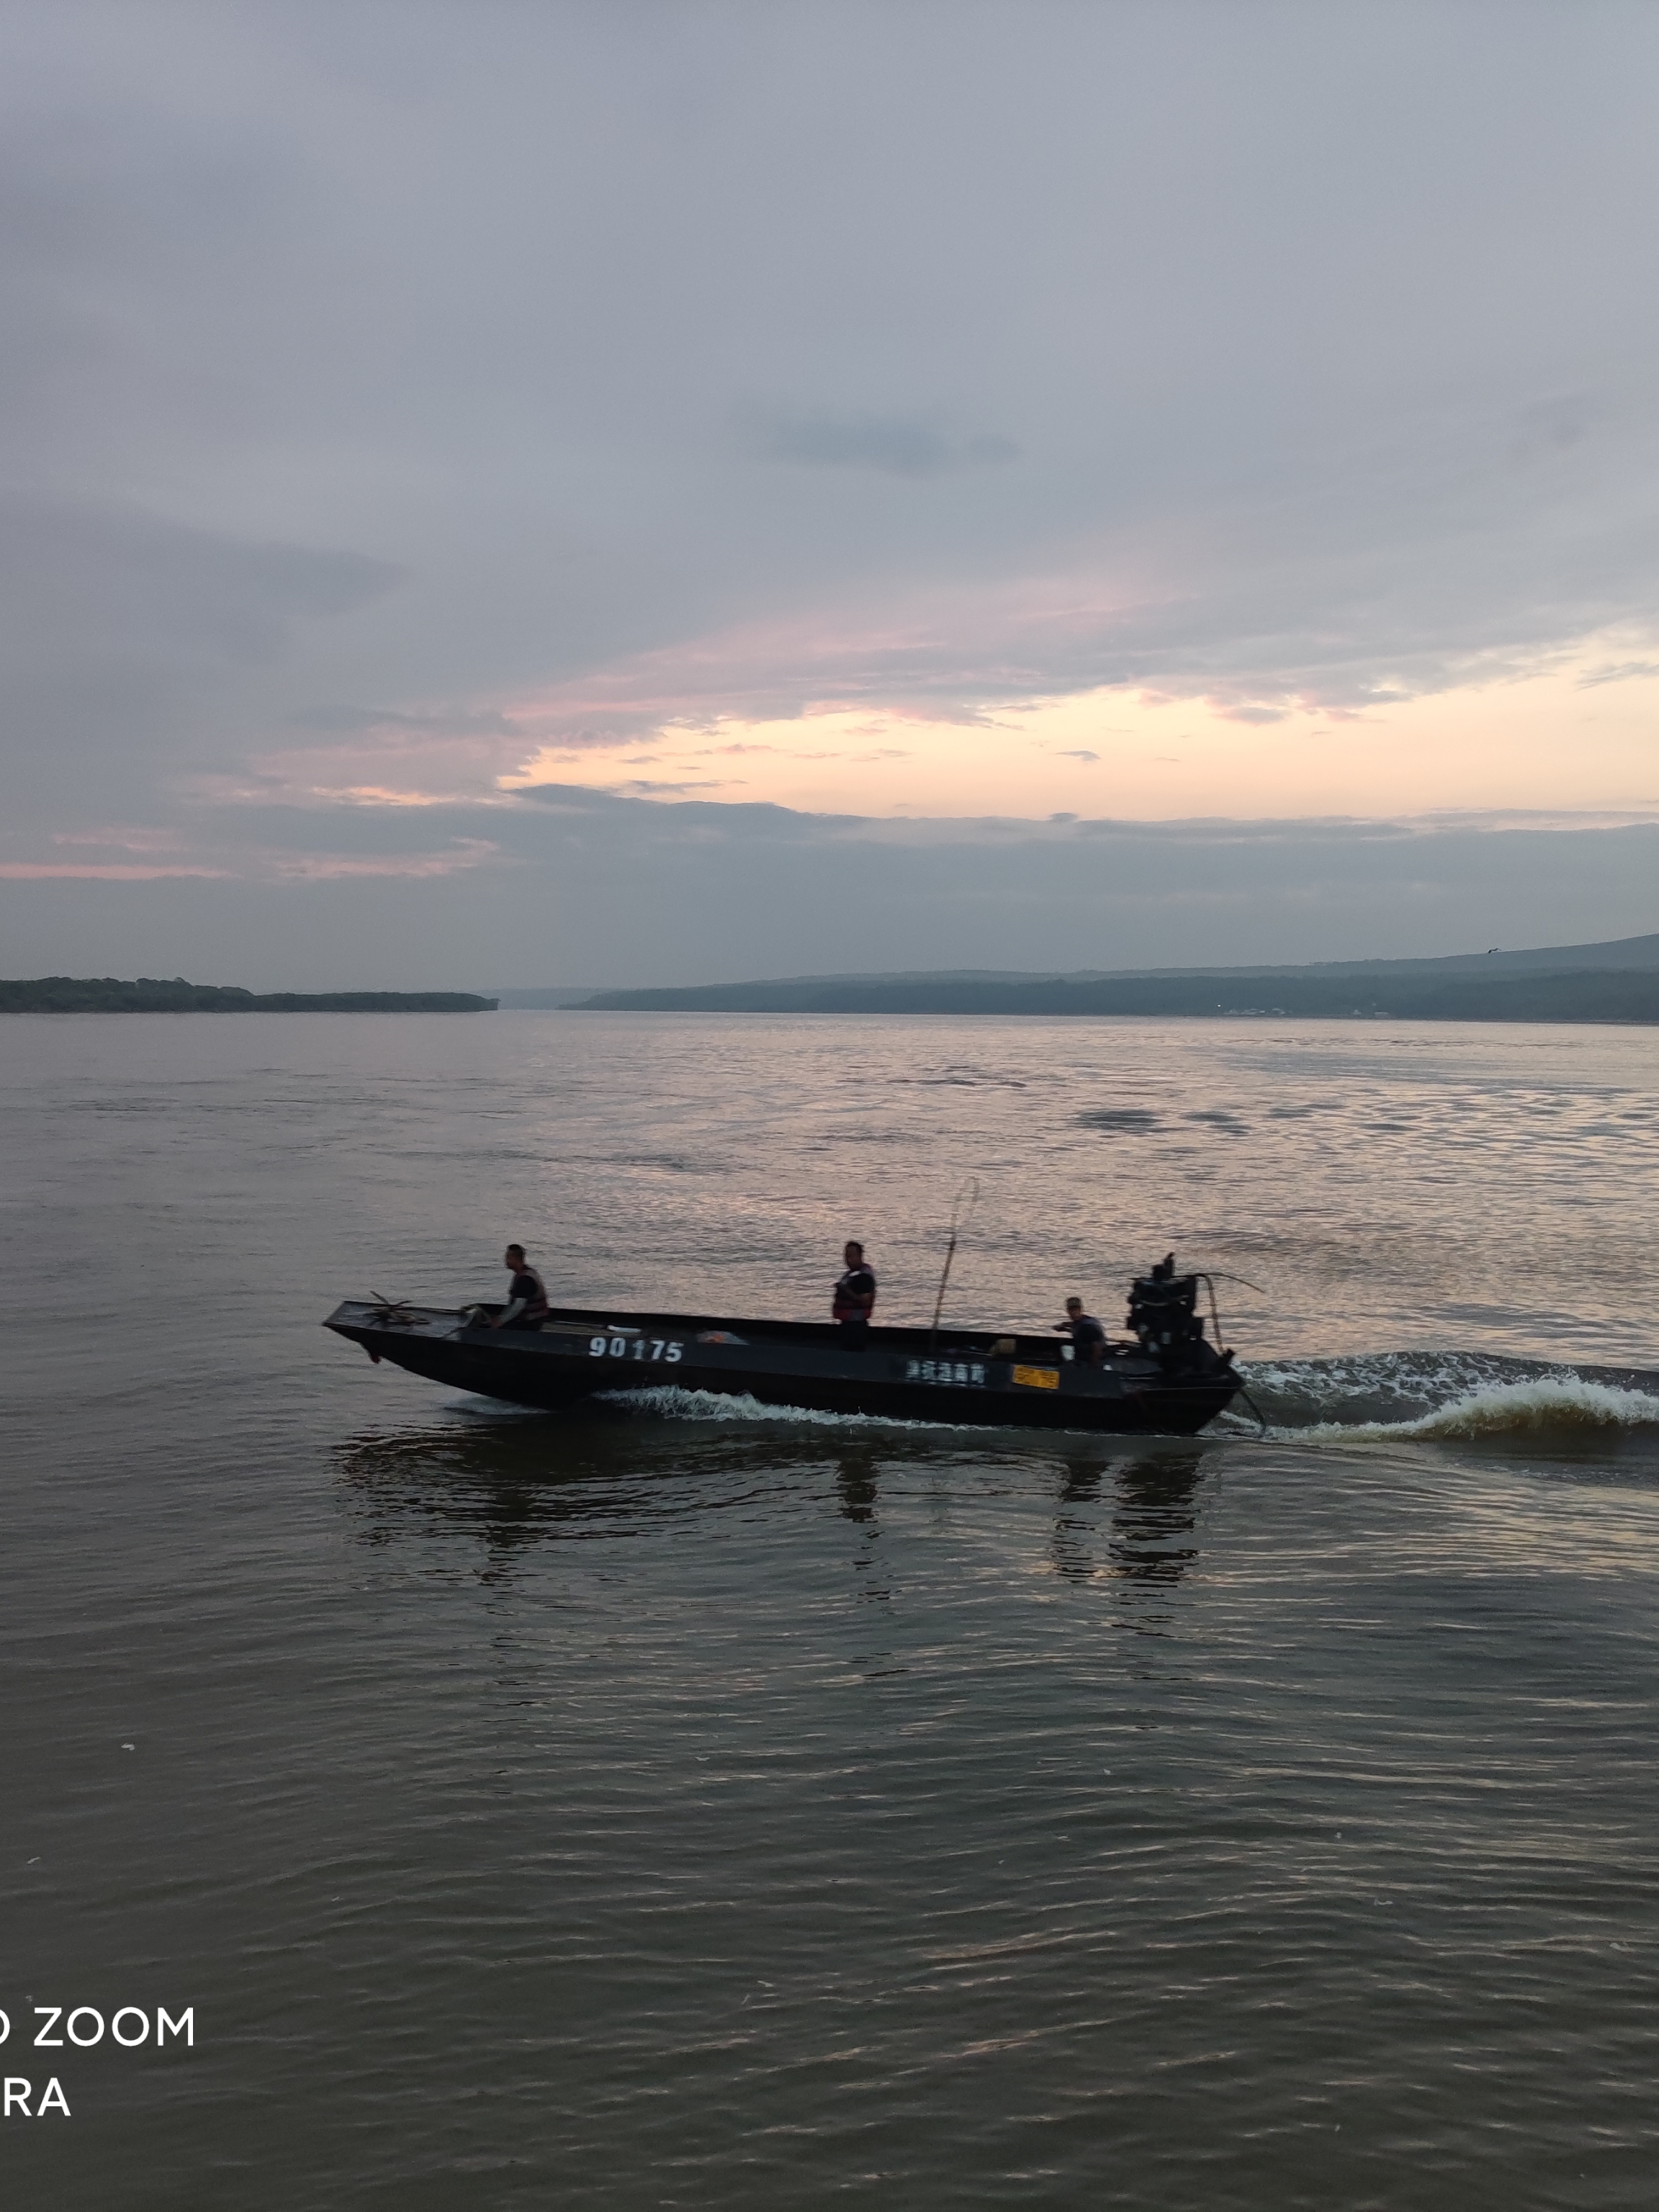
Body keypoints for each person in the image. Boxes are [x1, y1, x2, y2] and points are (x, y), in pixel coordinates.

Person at [492, 1244, 550, 1330]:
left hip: (531, 1323)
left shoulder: (524, 1280)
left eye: (509, 1258)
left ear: (517, 1259)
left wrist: (501, 1321)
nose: (506, 1260)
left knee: (494, 1329)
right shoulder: (527, 1272)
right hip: (536, 1319)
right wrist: (501, 1317)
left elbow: (518, 1306)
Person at [832, 1241, 877, 1345]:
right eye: (846, 1256)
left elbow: (865, 1302)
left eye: (851, 1256)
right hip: (847, 1324)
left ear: (860, 1256)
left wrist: (846, 1291)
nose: (848, 1260)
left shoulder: (864, 1277)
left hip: (856, 1326)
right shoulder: (850, 1275)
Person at [1056, 1295, 1107, 1367]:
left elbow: (1097, 1348)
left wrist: (1093, 1366)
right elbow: (1077, 1328)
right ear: (1068, 1311)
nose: (1074, 1312)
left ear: (1081, 1309)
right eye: (1071, 1309)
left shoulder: (1088, 1327)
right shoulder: (1084, 1320)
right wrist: (1064, 1326)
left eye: (1076, 1309)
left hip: (1087, 1361)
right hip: (1083, 1358)